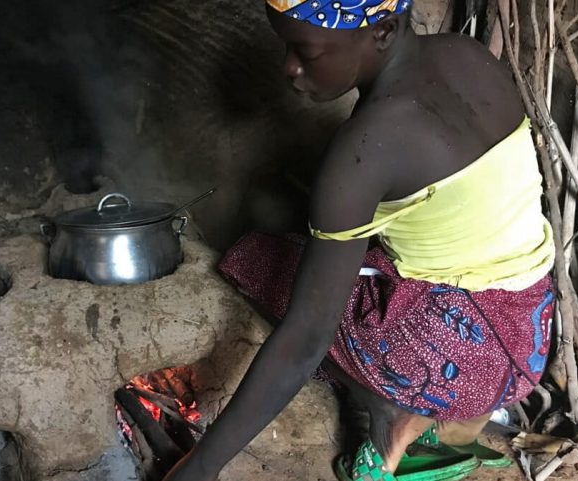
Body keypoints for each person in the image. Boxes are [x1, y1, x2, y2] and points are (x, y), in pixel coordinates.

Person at [163, 1, 556, 480]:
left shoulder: (365, 148)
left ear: (384, 30)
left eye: (305, 50)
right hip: (530, 333)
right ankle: (450, 413)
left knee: (256, 260)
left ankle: (391, 413)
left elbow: (307, 338)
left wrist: (201, 466)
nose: (290, 66)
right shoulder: (467, 55)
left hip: (459, 364)